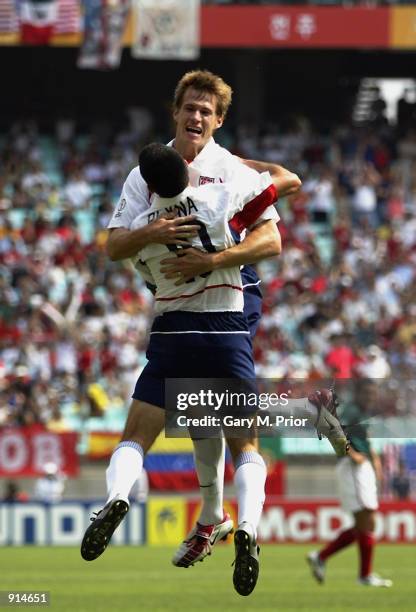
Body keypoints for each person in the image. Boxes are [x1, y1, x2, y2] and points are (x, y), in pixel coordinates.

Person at [81, 144, 348, 598]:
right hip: (227, 315)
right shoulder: (221, 199)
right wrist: (246, 170)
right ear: (187, 170)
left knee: (162, 427)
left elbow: (121, 251)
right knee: (231, 426)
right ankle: (230, 515)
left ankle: (168, 506)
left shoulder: (145, 229)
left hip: (176, 325)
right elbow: (286, 185)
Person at [105, 69, 301, 566]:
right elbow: (115, 244)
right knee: (203, 408)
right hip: (181, 305)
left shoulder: (227, 166)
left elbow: (289, 184)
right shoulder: (145, 175)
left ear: (216, 121)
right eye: (189, 108)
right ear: (175, 111)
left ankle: (212, 517)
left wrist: (215, 252)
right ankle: (215, 518)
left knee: (209, 410)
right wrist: (154, 234)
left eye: (205, 112)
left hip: (231, 294)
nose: (196, 117)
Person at [307, 381, 393, 588]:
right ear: (359, 392)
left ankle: (322, 556)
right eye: (367, 391)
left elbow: (366, 438)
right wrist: (352, 454)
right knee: (367, 518)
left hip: (363, 467)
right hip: (352, 467)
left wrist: (376, 463)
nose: (371, 395)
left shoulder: (363, 412)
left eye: (373, 391)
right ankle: (363, 575)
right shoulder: (352, 410)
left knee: (364, 523)